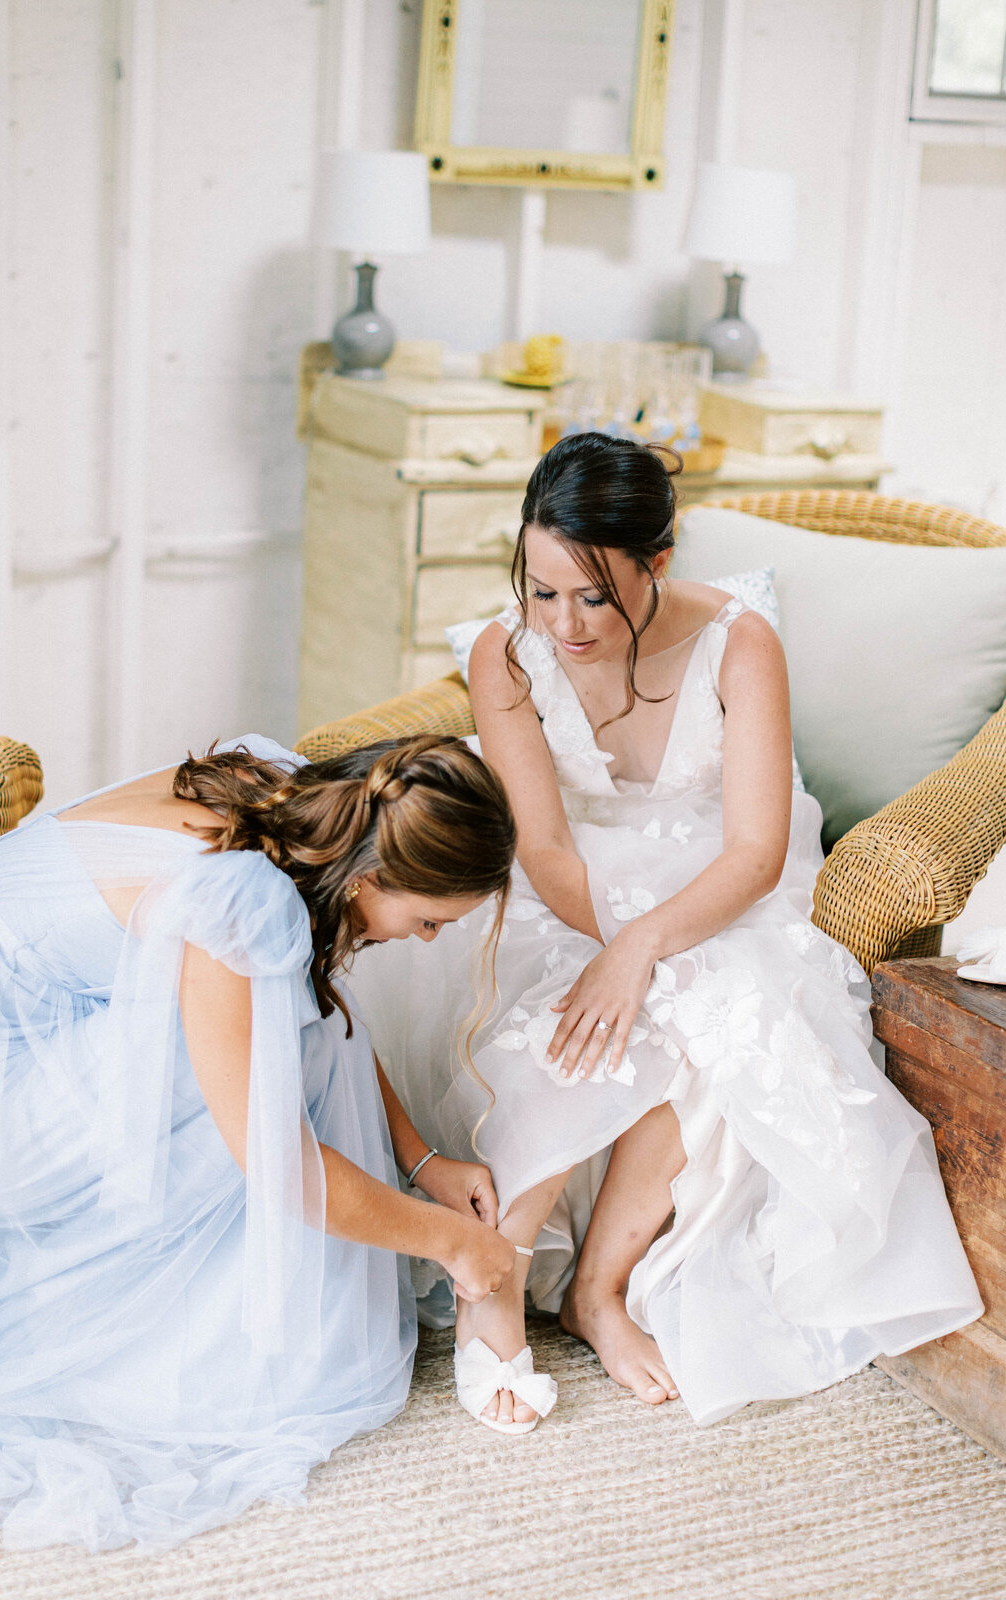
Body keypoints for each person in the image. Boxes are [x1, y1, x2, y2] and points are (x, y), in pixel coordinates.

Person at [351, 433, 983, 1436]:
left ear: (659, 560)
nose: (564, 624)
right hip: (568, 887)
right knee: (572, 1022)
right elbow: (549, 849)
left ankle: (596, 1289)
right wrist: (609, 947)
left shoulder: (741, 642)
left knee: (716, 1003)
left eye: (593, 596)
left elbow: (756, 850)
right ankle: (497, 1284)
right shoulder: (505, 654)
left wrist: (647, 948)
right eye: (542, 589)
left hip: (720, 889)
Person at [0, 732, 519, 1552]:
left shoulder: (284, 795)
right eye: (428, 919)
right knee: (255, 1069)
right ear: (368, 876)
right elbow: (279, 1166)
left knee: (279, 1024)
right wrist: (459, 1247)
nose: (424, 939)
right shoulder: (238, 903)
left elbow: (321, 1009)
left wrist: (421, 1159)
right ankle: (107, 1319)